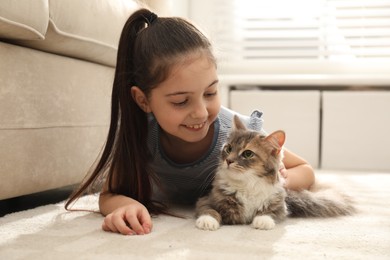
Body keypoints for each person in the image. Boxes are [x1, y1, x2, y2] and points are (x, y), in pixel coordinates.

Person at [65, 8, 315, 236]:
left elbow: (305, 170)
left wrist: (275, 182)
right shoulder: (142, 135)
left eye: (210, 93)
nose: (201, 113)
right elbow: (109, 194)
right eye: (181, 101)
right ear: (143, 101)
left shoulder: (236, 133)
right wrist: (125, 205)